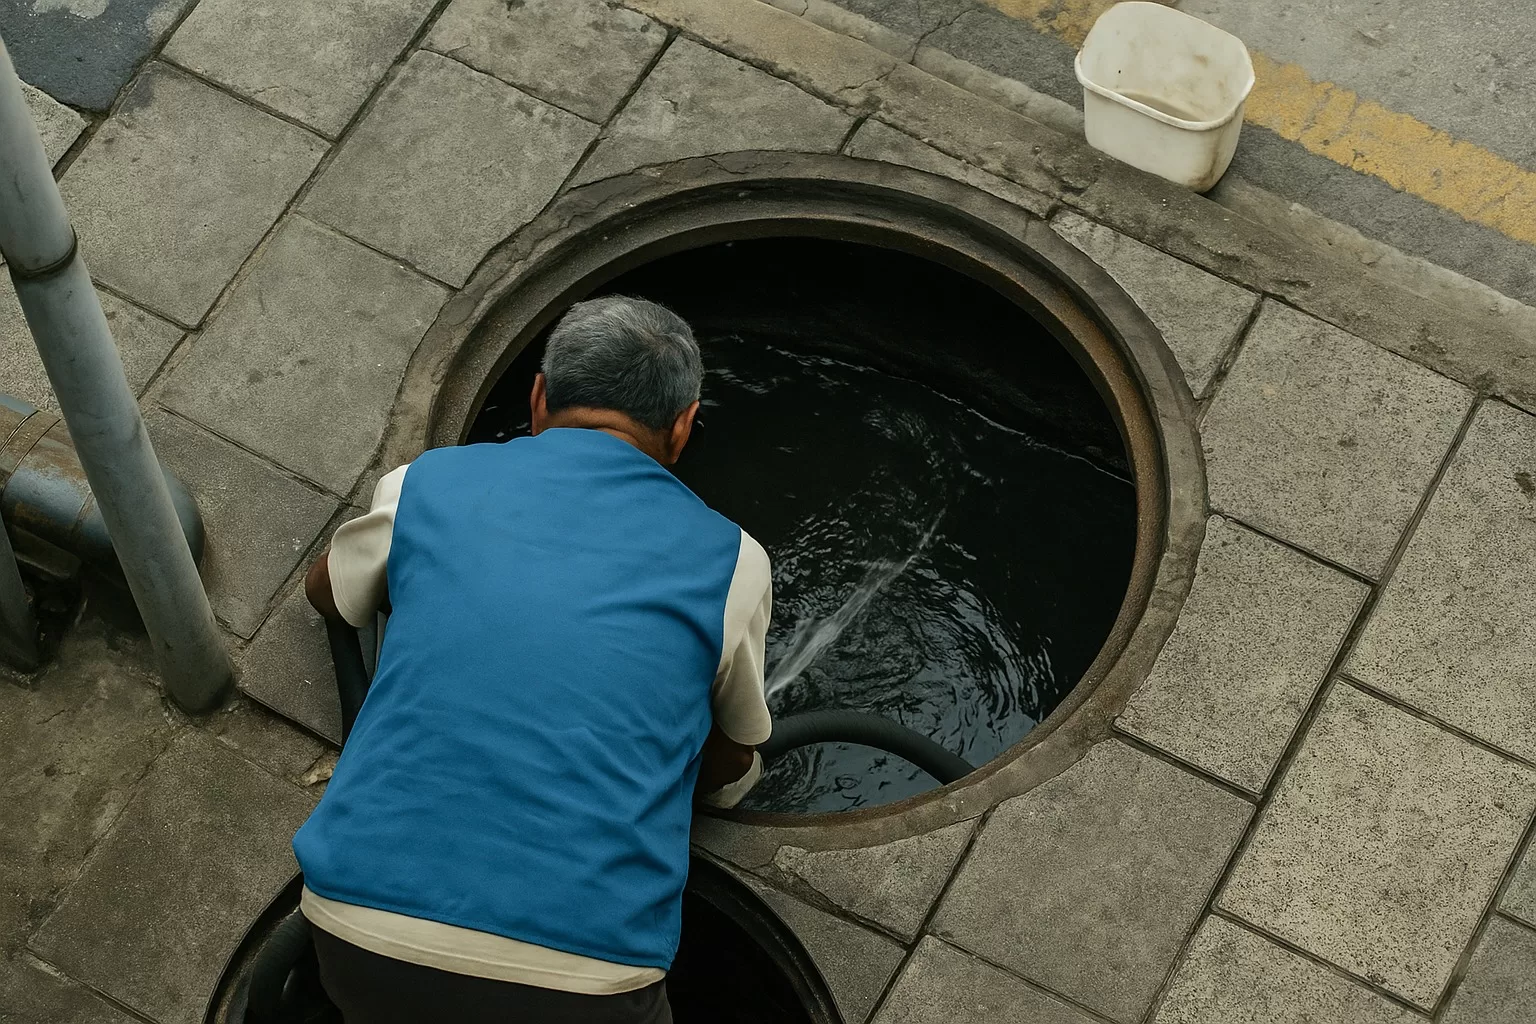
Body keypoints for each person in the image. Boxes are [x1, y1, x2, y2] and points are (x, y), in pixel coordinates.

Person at [292, 295, 773, 1024]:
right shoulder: (732, 559)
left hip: (357, 929)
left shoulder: (425, 483)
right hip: (587, 975)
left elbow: (330, 596)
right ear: (682, 427)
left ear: (540, 396)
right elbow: (733, 757)